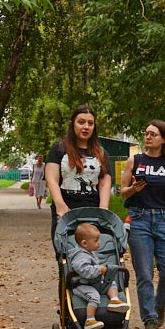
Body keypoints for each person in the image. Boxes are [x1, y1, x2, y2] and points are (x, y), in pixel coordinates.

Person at [119, 119, 165, 329]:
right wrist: (133, 189)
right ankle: (149, 320)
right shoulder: (134, 160)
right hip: (139, 220)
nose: (148, 137)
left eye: (153, 134)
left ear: (163, 138)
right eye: (146, 133)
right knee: (145, 273)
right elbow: (122, 192)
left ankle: (159, 304)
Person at [45, 104, 111, 242]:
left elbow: (104, 182)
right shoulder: (59, 149)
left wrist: (103, 209)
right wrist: (60, 205)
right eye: (81, 122)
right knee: (66, 257)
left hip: (93, 214)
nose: (86, 127)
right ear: (72, 124)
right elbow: (51, 179)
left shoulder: (101, 152)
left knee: (95, 255)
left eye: (90, 123)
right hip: (66, 212)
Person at [67, 222, 130, 329]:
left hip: (92, 282)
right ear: (85, 243)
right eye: (96, 241)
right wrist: (99, 269)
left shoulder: (88, 252)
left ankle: (114, 300)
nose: (99, 243)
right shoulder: (80, 256)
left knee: (110, 282)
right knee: (94, 296)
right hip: (81, 285)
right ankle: (90, 320)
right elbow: (84, 271)